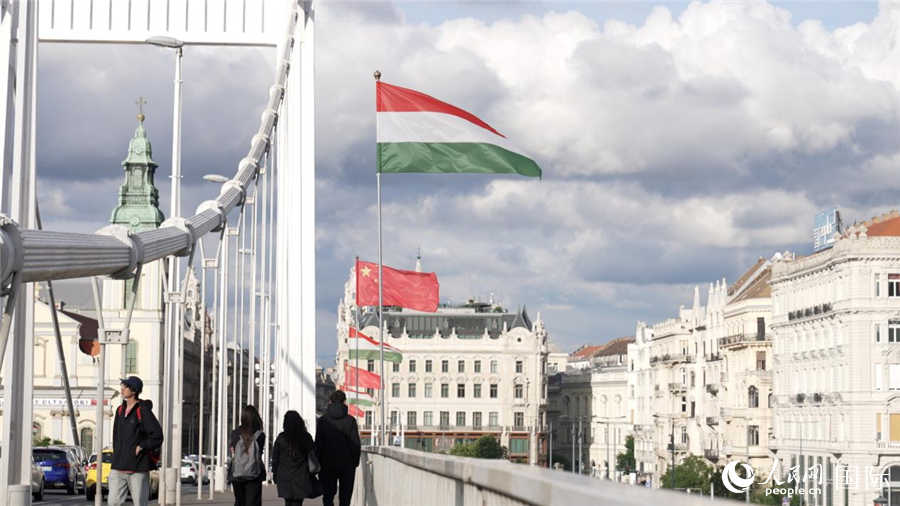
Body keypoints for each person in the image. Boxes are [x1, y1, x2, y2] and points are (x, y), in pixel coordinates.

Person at [109, 376, 163, 506]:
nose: (122, 389)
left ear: (134, 391)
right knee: (113, 503)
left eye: (126, 387)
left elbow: (157, 436)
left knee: (140, 503)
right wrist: (117, 454)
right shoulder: (120, 410)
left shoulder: (143, 410)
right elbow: (115, 436)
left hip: (137, 468)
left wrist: (141, 446)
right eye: (123, 386)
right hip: (118, 467)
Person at [315, 390, 361, 506]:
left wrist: (318, 463)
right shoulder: (350, 421)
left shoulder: (323, 421)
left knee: (328, 496)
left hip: (326, 464)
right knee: (345, 498)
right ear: (344, 402)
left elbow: (318, 444)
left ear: (330, 401)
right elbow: (355, 444)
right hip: (347, 465)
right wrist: (354, 462)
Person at [272, 410, 317, 505]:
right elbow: (313, 455)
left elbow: (275, 458)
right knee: (298, 503)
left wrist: (275, 474)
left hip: (284, 478)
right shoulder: (306, 437)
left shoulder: (281, 438)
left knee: (287, 503)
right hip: (301, 478)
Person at [229, 405, 266, 506]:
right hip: (254, 474)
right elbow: (259, 453)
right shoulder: (260, 435)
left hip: (237, 473)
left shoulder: (235, 433)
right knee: (253, 502)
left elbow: (232, 452)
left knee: (239, 502)